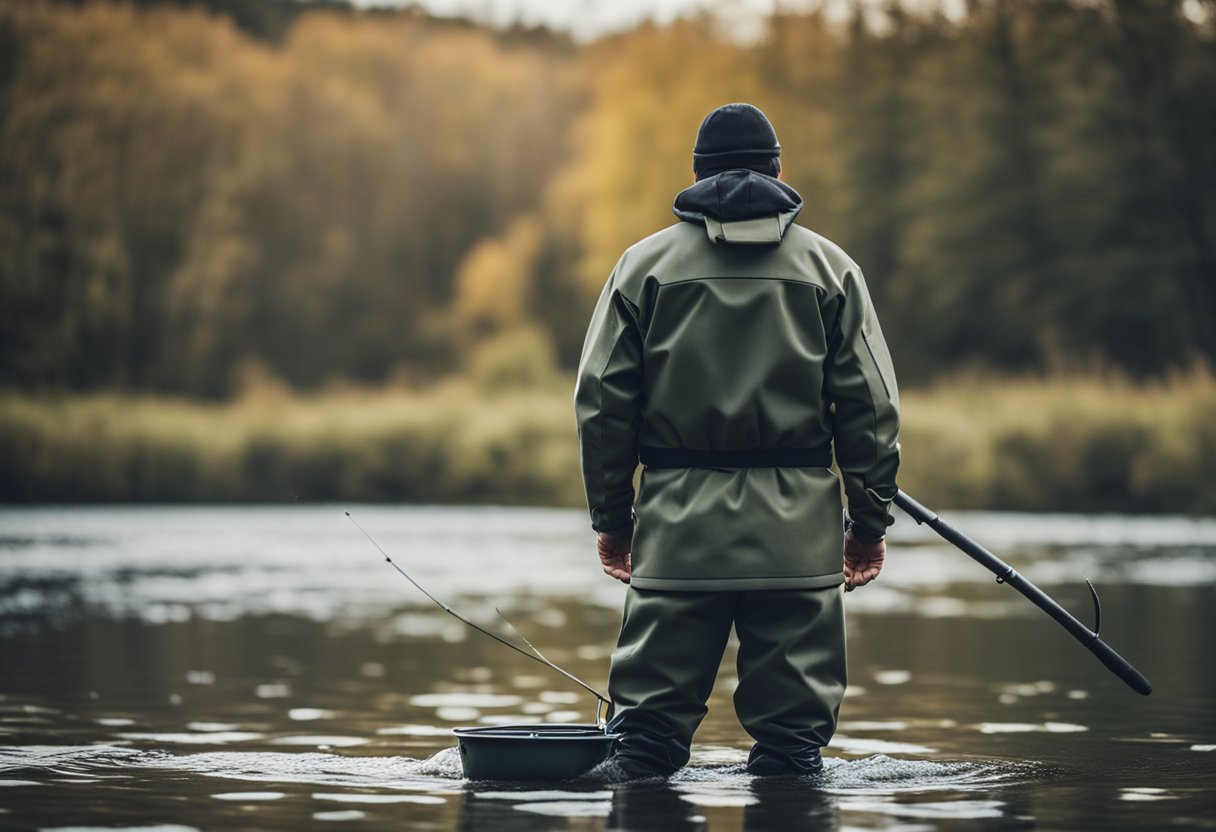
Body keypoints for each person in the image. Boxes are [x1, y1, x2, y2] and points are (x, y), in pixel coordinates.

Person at [574, 102, 900, 780]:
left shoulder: (642, 268)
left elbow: (602, 405)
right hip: (797, 546)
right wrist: (868, 526)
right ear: (780, 171)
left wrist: (612, 520)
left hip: (676, 540)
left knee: (644, 746)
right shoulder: (831, 269)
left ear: (696, 176)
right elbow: (870, 410)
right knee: (791, 753)